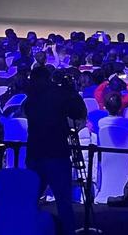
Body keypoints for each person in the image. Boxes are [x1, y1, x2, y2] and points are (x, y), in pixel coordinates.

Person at [24, 66, 86, 235]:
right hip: (56, 153)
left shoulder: (30, 98)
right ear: (48, 78)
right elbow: (77, 112)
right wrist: (70, 91)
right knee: (63, 202)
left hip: (35, 153)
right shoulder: (58, 94)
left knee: (31, 199)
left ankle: (28, 229)